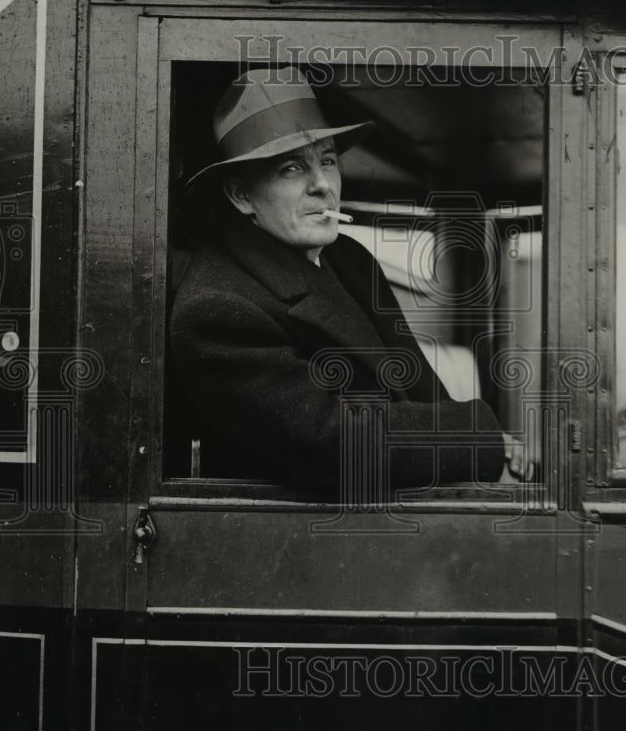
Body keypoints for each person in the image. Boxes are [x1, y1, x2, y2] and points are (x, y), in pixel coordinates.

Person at [169, 67, 533, 496]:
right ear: (240, 195)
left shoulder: (349, 258)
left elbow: (418, 385)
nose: (323, 185)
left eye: (326, 160)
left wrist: (488, 449)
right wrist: (473, 442)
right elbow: (326, 439)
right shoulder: (215, 307)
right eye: (291, 168)